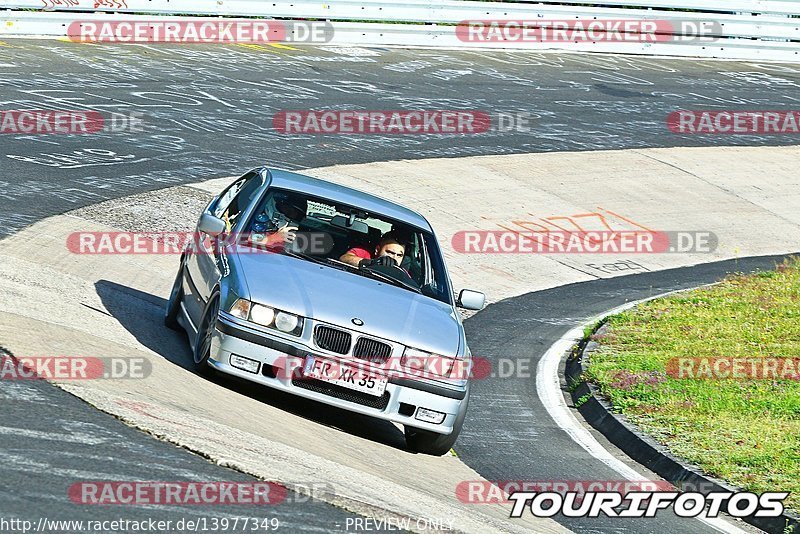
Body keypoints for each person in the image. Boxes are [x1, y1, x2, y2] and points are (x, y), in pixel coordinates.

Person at [340, 232, 406, 269]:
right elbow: (344, 258)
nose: (394, 258)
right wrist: (371, 263)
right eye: (390, 252)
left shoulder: (402, 272)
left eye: (399, 255)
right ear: (377, 250)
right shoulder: (364, 253)